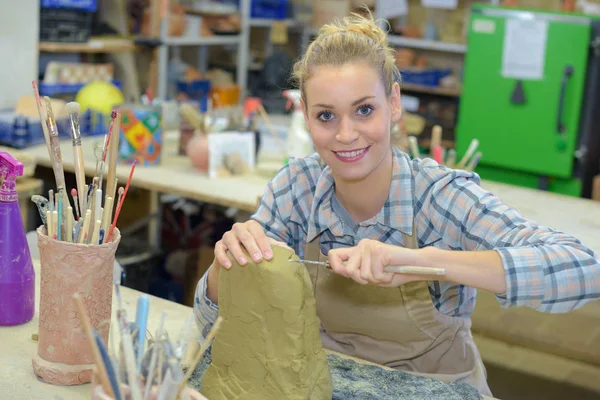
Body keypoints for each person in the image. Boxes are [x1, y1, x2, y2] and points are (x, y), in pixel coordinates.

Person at [194, 10, 600, 396]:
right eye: (326, 116)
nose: (346, 134)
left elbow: (582, 269)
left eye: (364, 110)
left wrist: (423, 262)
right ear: (305, 116)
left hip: (438, 391)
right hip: (327, 382)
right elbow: (218, 327)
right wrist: (224, 268)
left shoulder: (439, 197)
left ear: (393, 104)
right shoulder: (295, 190)